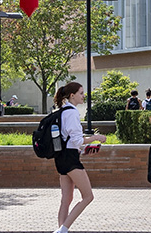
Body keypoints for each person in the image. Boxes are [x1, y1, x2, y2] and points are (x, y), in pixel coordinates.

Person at [50, 82, 107, 233]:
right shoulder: (72, 112)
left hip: (61, 157)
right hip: (70, 160)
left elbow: (69, 140)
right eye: (81, 93)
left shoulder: (62, 110)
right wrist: (95, 137)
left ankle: (61, 230)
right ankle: (63, 229)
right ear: (72, 95)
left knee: (66, 199)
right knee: (88, 196)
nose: (83, 96)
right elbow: (76, 140)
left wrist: (82, 151)